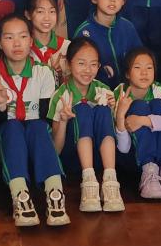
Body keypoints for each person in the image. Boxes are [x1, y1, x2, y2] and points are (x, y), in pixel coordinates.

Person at [0, 14, 69, 227]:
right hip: (2, 148)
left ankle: (55, 195)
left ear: (31, 40)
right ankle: (21, 197)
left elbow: (45, 121)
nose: (17, 43)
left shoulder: (43, 72)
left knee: (37, 126)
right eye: (9, 37)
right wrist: (0, 106)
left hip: (36, 147)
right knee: (12, 126)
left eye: (22, 36)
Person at [50, 37, 123, 213]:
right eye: (81, 63)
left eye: (93, 64)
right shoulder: (61, 95)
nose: (88, 70)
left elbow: (118, 137)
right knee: (82, 109)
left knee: (103, 110)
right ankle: (89, 182)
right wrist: (64, 120)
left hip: (101, 158)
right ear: (68, 64)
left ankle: (110, 182)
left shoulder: (104, 90)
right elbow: (56, 150)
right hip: (73, 158)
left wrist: (115, 110)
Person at [113, 48, 161, 199]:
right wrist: (120, 115)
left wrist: (142, 121)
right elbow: (123, 148)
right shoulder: (120, 93)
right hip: (135, 158)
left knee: (158, 104)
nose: (144, 73)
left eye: (149, 68)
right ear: (127, 73)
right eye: (137, 67)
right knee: (139, 106)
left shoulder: (160, 90)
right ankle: (148, 172)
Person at [72, 0, 143, 88]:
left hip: (127, 91)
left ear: (123, 0)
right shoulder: (84, 32)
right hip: (97, 93)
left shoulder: (128, 27)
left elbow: (140, 59)